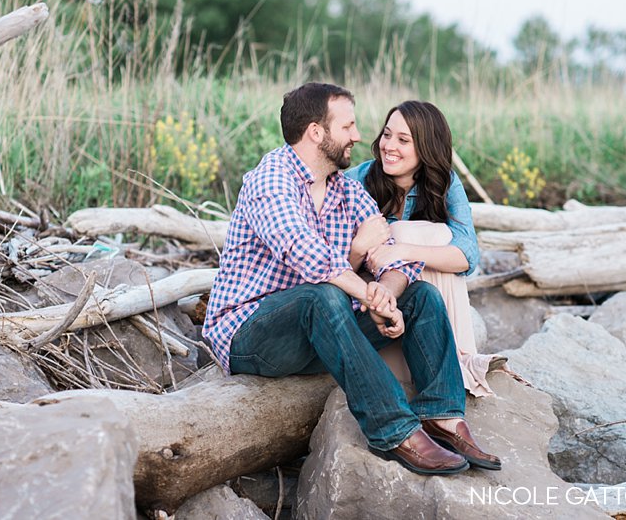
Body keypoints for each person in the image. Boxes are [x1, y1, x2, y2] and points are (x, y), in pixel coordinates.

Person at [203, 83, 500, 474]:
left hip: (319, 329)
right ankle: (394, 430)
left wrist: (387, 294)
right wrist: (367, 292)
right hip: (251, 334)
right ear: (316, 132)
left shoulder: (346, 189)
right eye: (348, 127)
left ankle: (441, 414)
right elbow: (307, 256)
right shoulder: (272, 179)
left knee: (421, 296)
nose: (360, 137)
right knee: (322, 296)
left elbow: (396, 258)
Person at [345, 100, 506, 397]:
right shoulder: (357, 180)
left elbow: (467, 255)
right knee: (413, 231)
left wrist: (402, 250)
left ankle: (455, 364)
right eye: (387, 134)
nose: (389, 146)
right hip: (374, 308)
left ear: (426, 148)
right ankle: (456, 365)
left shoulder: (444, 184)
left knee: (428, 234)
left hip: (416, 304)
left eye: (403, 140)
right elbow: (333, 262)